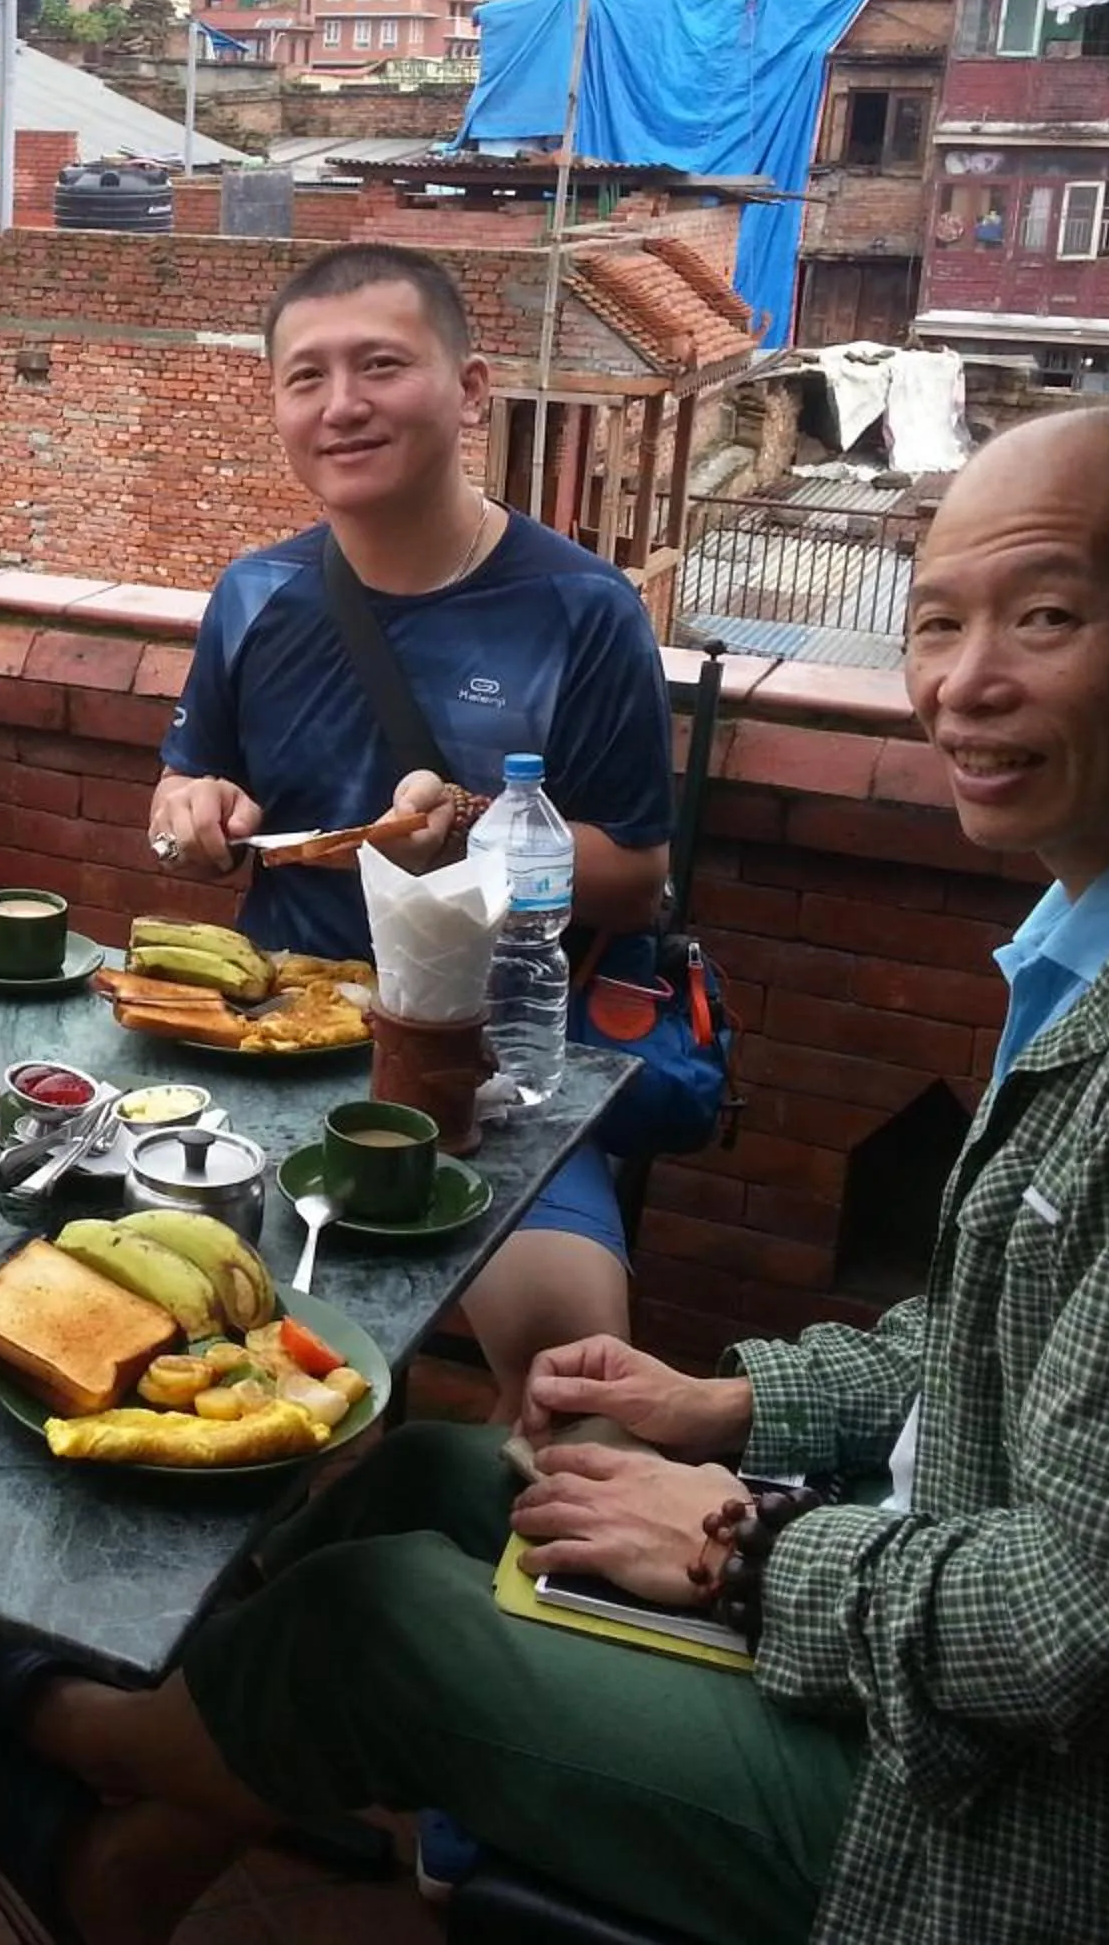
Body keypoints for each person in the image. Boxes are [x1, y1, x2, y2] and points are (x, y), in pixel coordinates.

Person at [0, 406, 1109, 1944]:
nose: (962, 686)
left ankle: (78, 1732)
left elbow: (1105, 1641)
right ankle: (129, 1872)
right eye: (935, 625)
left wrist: (745, 1544)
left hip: (1045, 1839)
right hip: (968, 1663)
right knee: (431, 1474)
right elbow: (1004, 1347)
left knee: (377, 1627)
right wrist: (723, 1411)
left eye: (1045, 620)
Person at [148, 243, 674, 1411]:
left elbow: (636, 877)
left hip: (484, 1064)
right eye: (306, 377)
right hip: (274, 1031)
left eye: (381, 366)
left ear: (470, 388)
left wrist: (481, 841)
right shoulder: (255, 594)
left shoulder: (581, 613)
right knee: (155, 1315)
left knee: (575, 1385)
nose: (342, 406)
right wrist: (188, 814)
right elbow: (190, 782)